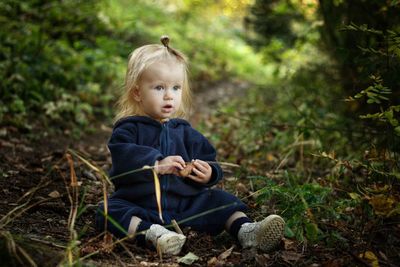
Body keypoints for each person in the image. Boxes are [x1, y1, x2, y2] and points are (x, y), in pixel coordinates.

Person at [96, 36, 285, 256]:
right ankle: (153, 235)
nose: (169, 95)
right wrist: (156, 164)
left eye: (176, 88)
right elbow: (123, 159)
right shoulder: (128, 129)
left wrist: (208, 172)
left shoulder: (186, 132)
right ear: (137, 92)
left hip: (187, 207)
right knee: (108, 211)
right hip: (142, 204)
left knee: (222, 201)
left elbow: (209, 159)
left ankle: (246, 230)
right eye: (159, 88)